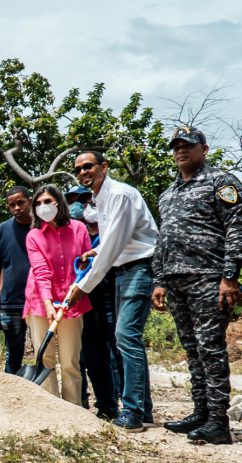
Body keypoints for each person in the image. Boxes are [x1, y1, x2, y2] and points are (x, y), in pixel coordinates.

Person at [153, 126, 242, 444]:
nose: (181, 150)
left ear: (204, 149)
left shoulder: (222, 181)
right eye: (176, 146)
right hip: (175, 282)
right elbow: (163, 240)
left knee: (210, 349)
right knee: (192, 350)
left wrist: (229, 275)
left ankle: (219, 422)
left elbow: (236, 226)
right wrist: (159, 280)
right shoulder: (169, 194)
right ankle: (201, 412)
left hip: (208, 278)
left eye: (187, 145)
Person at [67, 151, 159, 432]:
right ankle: (143, 411)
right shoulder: (100, 198)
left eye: (89, 166)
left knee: (125, 336)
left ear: (103, 167)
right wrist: (91, 251)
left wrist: (82, 287)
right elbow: (109, 241)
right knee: (127, 339)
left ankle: (132, 411)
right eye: (79, 169)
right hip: (122, 270)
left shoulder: (119, 194)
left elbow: (112, 248)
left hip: (138, 268)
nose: (84, 172)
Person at [24, 185, 92, 405]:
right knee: (45, 359)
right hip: (39, 302)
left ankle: (74, 409)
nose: (43, 206)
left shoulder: (79, 228)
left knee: (70, 360)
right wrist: (48, 304)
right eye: (39, 203)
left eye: (48, 201)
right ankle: (53, 411)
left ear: (59, 203)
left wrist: (76, 290)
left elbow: (86, 264)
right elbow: (40, 270)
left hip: (71, 301)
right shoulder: (33, 235)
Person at [66, 196, 120, 420]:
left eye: (86, 201)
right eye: (72, 201)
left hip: (111, 299)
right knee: (87, 359)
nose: (80, 206)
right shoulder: (76, 234)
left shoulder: (111, 234)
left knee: (115, 356)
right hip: (84, 304)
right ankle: (88, 406)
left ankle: (121, 407)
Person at [0, 186, 32, 374]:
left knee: (42, 350)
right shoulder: (2, 230)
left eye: (21, 202)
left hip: (40, 300)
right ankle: (12, 389)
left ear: (30, 201)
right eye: (12, 205)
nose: (17, 208)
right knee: (13, 352)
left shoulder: (42, 227)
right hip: (11, 301)